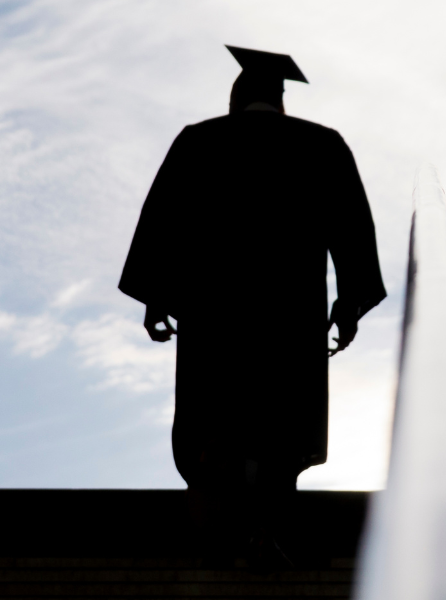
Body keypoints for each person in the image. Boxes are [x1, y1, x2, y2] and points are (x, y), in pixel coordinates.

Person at [118, 45, 385, 567]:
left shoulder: (198, 142)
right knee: (281, 426)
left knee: (217, 422)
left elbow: (162, 221)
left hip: (215, 316)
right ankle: (269, 530)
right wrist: (349, 303)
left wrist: (157, 296)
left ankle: (222, 533)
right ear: (282, 101)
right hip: (290, 317)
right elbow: (352, 230)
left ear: (235, 98)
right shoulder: (322, 145)